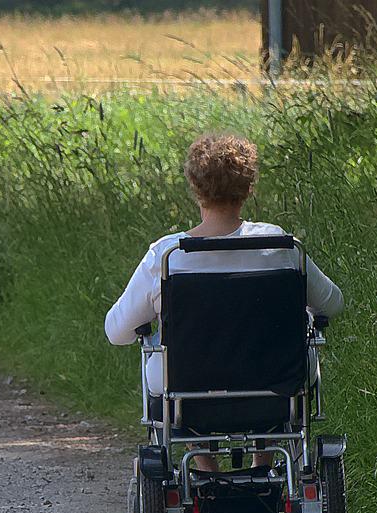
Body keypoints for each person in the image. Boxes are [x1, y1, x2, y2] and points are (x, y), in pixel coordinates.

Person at [104, 134, 344, 470]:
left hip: (187, 395)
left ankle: (206, 471)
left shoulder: (168, 255)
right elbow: (333, 303)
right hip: (276, 392)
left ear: (195, 188)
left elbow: (117, 332)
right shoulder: (282, 248)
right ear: (248, 189)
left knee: (164, 362)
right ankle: (266, 462)